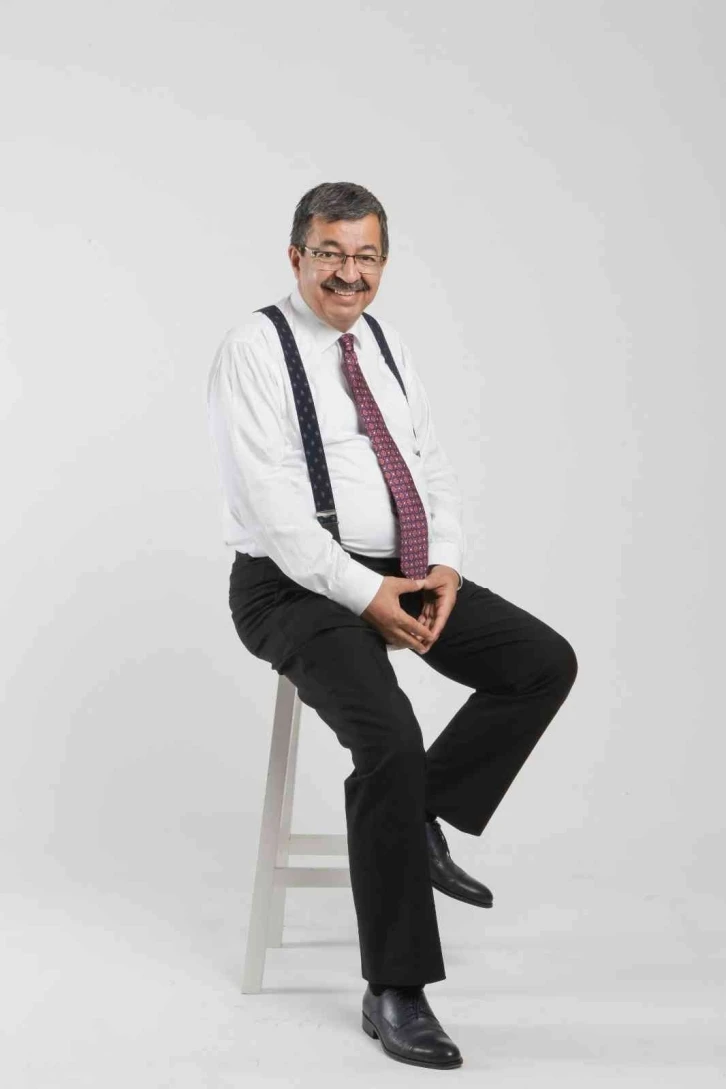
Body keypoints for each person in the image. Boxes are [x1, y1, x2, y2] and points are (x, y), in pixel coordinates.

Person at [206, 181, 578, 1070]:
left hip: (399, 569)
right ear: (296, 255)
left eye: (366, 255)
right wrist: (365, 595)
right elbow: (276, 513)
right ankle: (395, 989)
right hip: (290, 587)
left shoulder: (383, 342)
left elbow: (428, 465)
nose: (349, 273)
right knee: (390, 740)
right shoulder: (253, 348)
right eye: (330, 253)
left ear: (383, 262)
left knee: (541, 662)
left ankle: (420, 812)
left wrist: (441, 562)